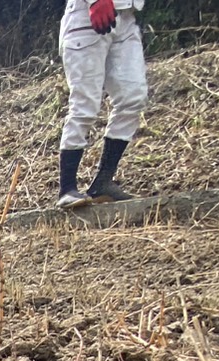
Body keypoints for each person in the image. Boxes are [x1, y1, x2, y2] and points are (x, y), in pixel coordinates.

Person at [56, 0, 148, 209]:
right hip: (86, 16)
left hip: (126, 17)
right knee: (85, 104)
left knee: (133, 97)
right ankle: (67, 188)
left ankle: (103, 182)